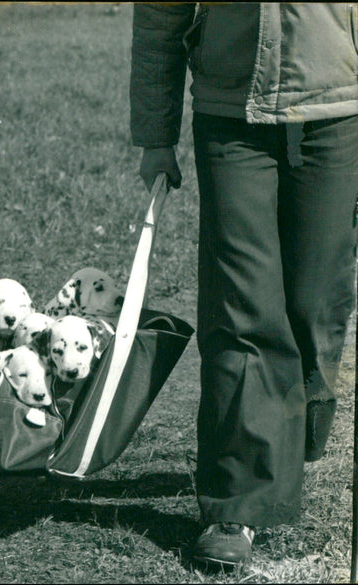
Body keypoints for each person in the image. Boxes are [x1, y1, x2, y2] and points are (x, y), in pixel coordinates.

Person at [130, 3, 358, 568]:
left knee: (315, 300)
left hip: (340, 110)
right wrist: (157, 135)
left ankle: (301, 408)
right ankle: (237, 502)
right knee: (242, 303)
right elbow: (160, 15)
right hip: (232, 115)